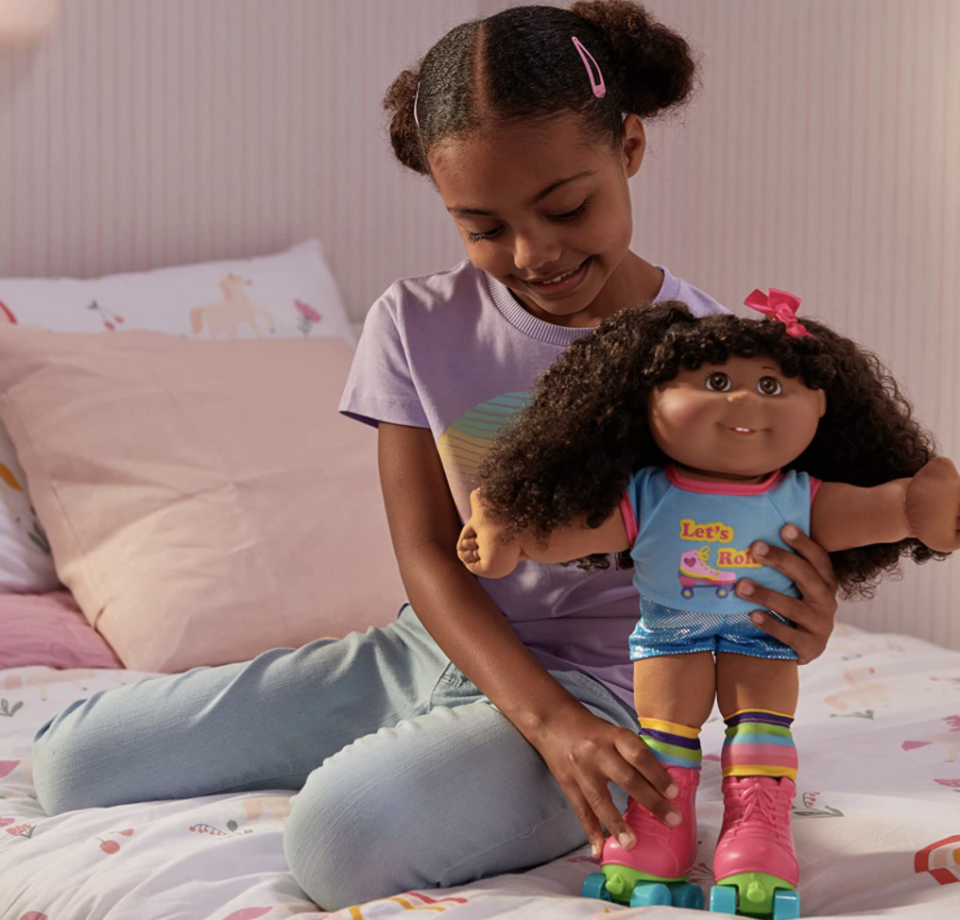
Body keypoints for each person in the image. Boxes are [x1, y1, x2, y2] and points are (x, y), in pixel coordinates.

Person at [29, 2, 840, 910]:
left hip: (622, 693)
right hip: (428, 650)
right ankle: (437, 751)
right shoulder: (412, 323)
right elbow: (426, 551)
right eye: (483, 226)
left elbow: (762, 544)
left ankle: (488, 777)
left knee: (340, 840)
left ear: (631, 149)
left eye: (567, 206)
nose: (534, 253)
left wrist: (800, 623)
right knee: (69, 759)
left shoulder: (710, 359)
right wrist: (538, 716)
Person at [457, 292, 959, 911]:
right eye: (716, 382)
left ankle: (758, 830)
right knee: (666, 733)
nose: (745, 401)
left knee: (760, 729)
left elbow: (883, 510)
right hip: (671, 633)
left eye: (773, 386)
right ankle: (658, 828)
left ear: (820, 404)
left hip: (762, 631)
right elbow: (571, 534)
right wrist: (511, 539)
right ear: (650, 400)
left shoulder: (803, 495)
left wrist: (919, 509)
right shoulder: (647, 493)